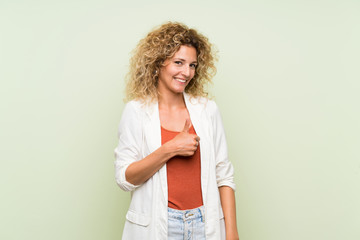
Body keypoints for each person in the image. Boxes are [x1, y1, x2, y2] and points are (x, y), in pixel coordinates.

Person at [114, 22, 239, 240]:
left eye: (192, 65)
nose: (186, 72)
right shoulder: (137, 111)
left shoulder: (207, 110)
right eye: (178, 63)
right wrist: (170, 148)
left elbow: (224, 175)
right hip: (159, 224)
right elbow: (125, 178)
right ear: (158, 63)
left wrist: (231, 231)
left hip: (205, 222)